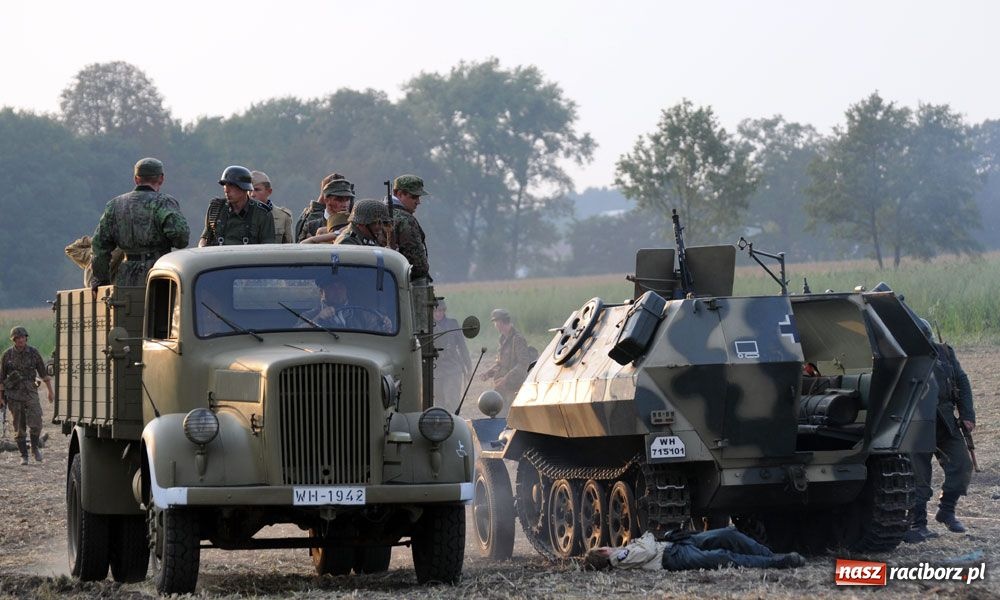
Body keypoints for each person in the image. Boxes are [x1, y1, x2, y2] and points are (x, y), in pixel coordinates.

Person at [904, 317, 976, 543]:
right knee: (919, 477)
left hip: (945, 421)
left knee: (962, 466)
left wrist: (967, 415)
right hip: (915, 424)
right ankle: (917, 523)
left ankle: (947, 511)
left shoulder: (944, 352)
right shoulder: (901, 357)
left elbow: (961, 381)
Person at [90, 157, 190, 289]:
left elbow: (99, 246)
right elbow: (181, 237)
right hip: (159, 273)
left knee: (127, 302)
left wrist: (101, 279)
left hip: (125, 278)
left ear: (136, 179)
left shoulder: (115, 205)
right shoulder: (164, 202)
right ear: (161, 179)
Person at [583, 529, 804, 571]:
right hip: (674, 556)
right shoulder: (618, 558)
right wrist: (647, 535)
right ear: (602, 553)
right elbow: (648, 551)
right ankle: (778, 562)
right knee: (724, 557)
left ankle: (769, 555)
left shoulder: (621, 556)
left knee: (728, 535)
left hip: (676, 546)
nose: (608, 546)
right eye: (604, 547)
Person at [0, 327, 55, 465]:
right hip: (14, 395)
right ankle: (23, 455)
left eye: (23, 337)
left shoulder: (33, 353)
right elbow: (1, 379)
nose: (21, 340)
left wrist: (50, 391)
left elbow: (43, 374)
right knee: (19, 427)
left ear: (26, 338)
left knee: (36, 423)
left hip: (31, 392)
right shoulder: (7, 355)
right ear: (13, 340)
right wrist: (1, 397)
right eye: (18, 338)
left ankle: (35, 448)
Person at [199, 165, 276, 246]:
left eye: (231, 185)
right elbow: (204, 239)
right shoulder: (216, 208)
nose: (226, 190)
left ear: (244, 188)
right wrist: (202, 249)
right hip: (218, 254)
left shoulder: (262, 213)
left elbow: (268, 247)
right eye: (225, 185)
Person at [300, 275, 392, 333]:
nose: (337, 291)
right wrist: (318, 318)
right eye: (331, 287)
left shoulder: (362, 314)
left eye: (340, 286)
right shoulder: (310, 315)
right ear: (322, 292)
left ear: (346, 290)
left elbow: (378, 334)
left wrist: (385, 325)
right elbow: (297, 334)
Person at [480, 308, 533, 406]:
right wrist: (488, 373)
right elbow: (500, 363)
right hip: (502, 387)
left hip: (514, 388)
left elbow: (523, 364)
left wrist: (505, 379)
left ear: (500, 323)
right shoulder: (502, 339)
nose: (495, 326)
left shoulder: (517, 339)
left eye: (495, 323)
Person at [433, 300, 472, 413]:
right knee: (438, 404)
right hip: (436, 370)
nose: (438, 313)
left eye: (440, 310)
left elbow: (462, 347)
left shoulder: (453, 324)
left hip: (452, 369)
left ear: (444, 311)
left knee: (451, 401)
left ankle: (453, 422)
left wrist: (468, 367)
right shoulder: (428, 326)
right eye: (435, 311)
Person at [390, 174, 430, 281]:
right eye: (414, 197)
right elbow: (418, 265)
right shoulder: (406, 220)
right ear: (399, 194)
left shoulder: (379, 212)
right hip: (407, 281)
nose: (418, 202)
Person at [299, 175, 353, 242]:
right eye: (339, 200)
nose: (345, 205)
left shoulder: (354, 225)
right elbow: (300, 247)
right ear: (327, 200)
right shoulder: (311, 227)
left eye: (347, 199)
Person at [251, 170, 293, 243]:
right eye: (249, 190)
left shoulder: (283, 217)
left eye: (257, 190)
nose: (252, 194)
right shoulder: (239, 215)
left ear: (269, 191)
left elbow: (289, 246)